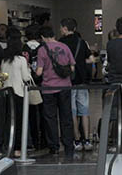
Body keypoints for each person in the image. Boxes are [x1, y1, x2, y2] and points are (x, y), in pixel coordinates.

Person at [36, 26, 75, 157]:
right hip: (65, 86)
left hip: (48, 88)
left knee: (50, 118)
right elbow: (72, 67)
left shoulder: (42, 50)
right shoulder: (65, 47)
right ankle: (69, 144)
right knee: (66, 117)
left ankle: (54, 146)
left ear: (42, 37)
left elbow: (39, 71)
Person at [58, 18, 94, 152]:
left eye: (61, 27)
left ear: (65, 28)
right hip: (82, 80)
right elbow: (90, 59)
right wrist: (80, 63)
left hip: (67, 81)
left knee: (72, 111)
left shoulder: (60, 43)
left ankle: (76, 140)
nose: (60, 30)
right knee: (84, 111)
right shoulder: (81, 42)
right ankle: (87, 139)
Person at [0, 37, 33, 157]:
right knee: (19, 122)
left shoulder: (4, 60)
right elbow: (26, 77)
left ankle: (7, 145)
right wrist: (29, 69)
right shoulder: (21, 60)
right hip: (18, 92)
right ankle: (17, 148)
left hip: (7, 93)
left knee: (8, 120)